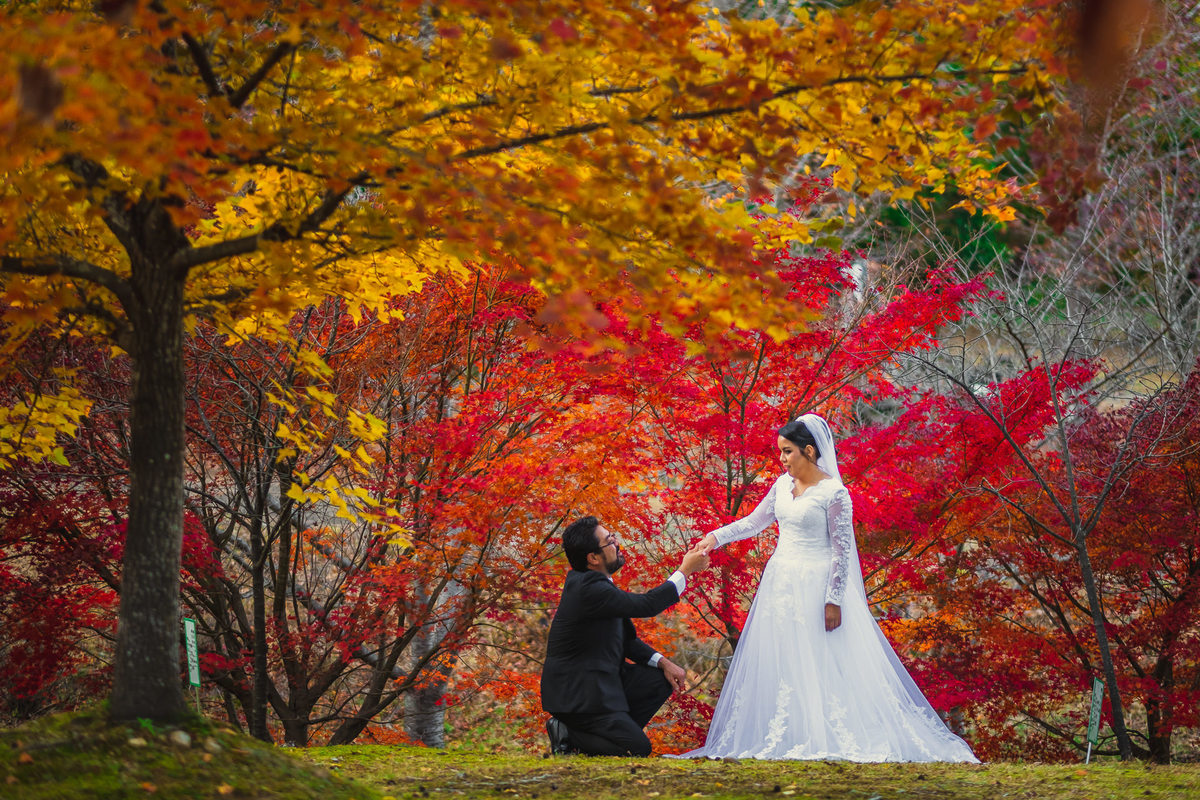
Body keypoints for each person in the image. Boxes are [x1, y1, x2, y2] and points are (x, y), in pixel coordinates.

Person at [674, 413, 979, 762]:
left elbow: (842, 550)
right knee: (786, 658)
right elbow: (753, 522)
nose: (782, 459)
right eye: (780, 452)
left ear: (809, 451)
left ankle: (828, 732)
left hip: (817, 583)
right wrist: (715, 537)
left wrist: (833, 599)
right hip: (781, 582)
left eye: (787, 452)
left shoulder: (835, 493)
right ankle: (791, 732)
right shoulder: (780, 487)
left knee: (821, 657)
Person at [540, 515, 710, 756]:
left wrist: (664, 662)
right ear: (593, 558)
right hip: (578, 695)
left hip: (599, 683)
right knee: (638, 749)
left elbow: (627, 640)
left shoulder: (595, 584)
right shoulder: (590, 589)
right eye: (609, 541)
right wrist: (685, 570)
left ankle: (605, 739)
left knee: (659, 679)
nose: (617, 543)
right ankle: (568, 733)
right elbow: (648, 605)